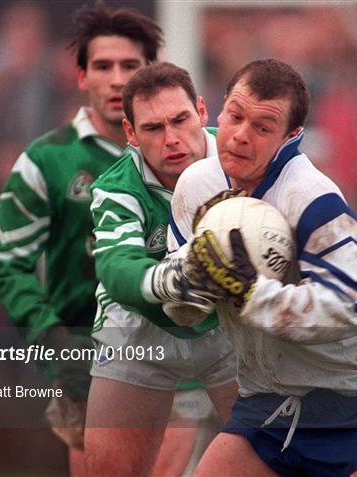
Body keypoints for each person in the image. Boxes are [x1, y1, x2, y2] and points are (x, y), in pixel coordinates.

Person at [164, 59, 357, 476]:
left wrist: (252, 293)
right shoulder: (197, 185)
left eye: (263, 128)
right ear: (220, 110)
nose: (241, 136)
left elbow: (346, 310)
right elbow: (182, 310)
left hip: (356, 400)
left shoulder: (314, 199)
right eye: (235, 115)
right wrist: (187, 280)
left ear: (291, 136)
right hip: (268, 401)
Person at [0, 4, 162, 475]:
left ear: (152, 74)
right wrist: (50, 335)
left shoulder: (186, 152)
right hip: (89, 365)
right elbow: (3, 259)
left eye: (131, 66)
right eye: (103, 66)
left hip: (175, 351)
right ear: (81, 77)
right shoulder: (49, 159)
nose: (117, 79)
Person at [85, 62, 237, 477]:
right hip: (140, 329)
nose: (171, 139)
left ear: (202, 112)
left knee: (281, 461)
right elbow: (115, 266)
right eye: (153, 128)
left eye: (180, 120)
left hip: (233, 326)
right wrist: (170, 282)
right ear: (131, 134)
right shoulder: (116, 187)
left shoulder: (242, 158)